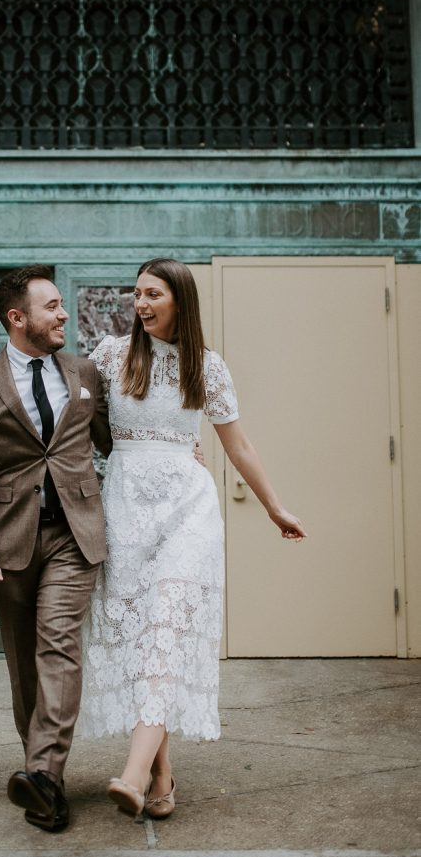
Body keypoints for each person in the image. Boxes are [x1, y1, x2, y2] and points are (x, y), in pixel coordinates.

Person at [78, 258, 306, 819]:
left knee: (168, 629)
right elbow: (78, 418)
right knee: (142, 639)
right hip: (126, 509)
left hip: (188, 510)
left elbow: (239, 446)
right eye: (137, 294)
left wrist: (276, 509)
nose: (142, 304)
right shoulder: (110, 356)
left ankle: (131, 775)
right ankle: (161, 776)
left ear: (181, 300)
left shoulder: (209, 367)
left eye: (153, 294)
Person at [0, 265, 112, 833]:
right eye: (51, 307)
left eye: (62, 304)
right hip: (12, 541)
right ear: (18, 319)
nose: (63, 314)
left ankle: (42, 772)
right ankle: (46, 781)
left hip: (76, 533)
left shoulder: (85, 371)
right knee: (24, 664)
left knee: (58, 646)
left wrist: (174, 456)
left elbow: (114, 443)